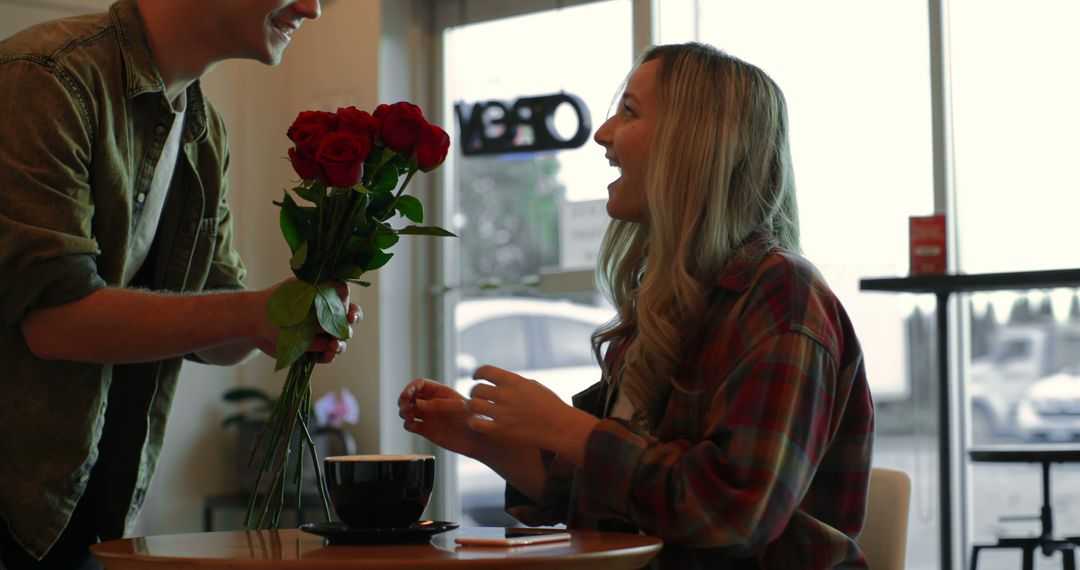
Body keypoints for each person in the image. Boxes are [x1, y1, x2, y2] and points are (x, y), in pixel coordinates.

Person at [399, 42, 874, 569]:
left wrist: (564, 427)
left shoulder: (783, 296)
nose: (602, 134)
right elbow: (612, 493)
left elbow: (733, 514)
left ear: (695, 143)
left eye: (630, 111)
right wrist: (484, 437)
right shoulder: (669, 303)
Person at [0, 1, 354, 568]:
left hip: (88, 507)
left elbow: (214, 335)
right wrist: (249, 314)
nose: (311, 8)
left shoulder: (203, 130)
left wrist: (285, 312)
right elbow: (55, 322)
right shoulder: (46, 76)